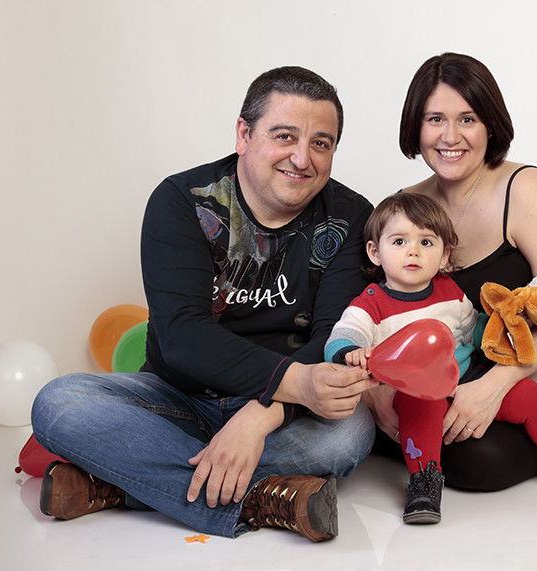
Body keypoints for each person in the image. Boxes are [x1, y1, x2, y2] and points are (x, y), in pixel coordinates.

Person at [31, 66, 379, 543]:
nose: (302, 158)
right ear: (244, 134)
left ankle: (119, 484)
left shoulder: (351, 217)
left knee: (353, 430)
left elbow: (333, 339)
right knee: (59, 404)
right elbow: (181, 336)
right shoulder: (181, 200)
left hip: (285, 411)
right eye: (285, 136)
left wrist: (260, 416)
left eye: (321, 143)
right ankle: (260, 500)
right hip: (180, 397)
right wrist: (293, 381)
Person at [364, 51, 537, 494]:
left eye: (467, 119)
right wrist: (377, 396)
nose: (450, 136)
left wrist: (493, 385)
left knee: (475, 463)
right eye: (434, 119)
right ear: (415, 126)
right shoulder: (405, 206)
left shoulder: (525, 189)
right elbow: (377, 310)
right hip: (455, 389)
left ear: (490, 124)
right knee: (414, 432)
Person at [327, 193, 537, 524]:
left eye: (426, 242)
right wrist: (350, 351)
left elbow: (475, 331)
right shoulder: (372, 302)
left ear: (444, 257)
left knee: (528, 394)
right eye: (399, 241)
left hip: (467, 380)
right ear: (375, 252)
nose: (412, 251)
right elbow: (345, 333)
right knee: (420, 406)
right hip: (417, 391)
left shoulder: (448, 293)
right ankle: (424, 481)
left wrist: (508, 324)